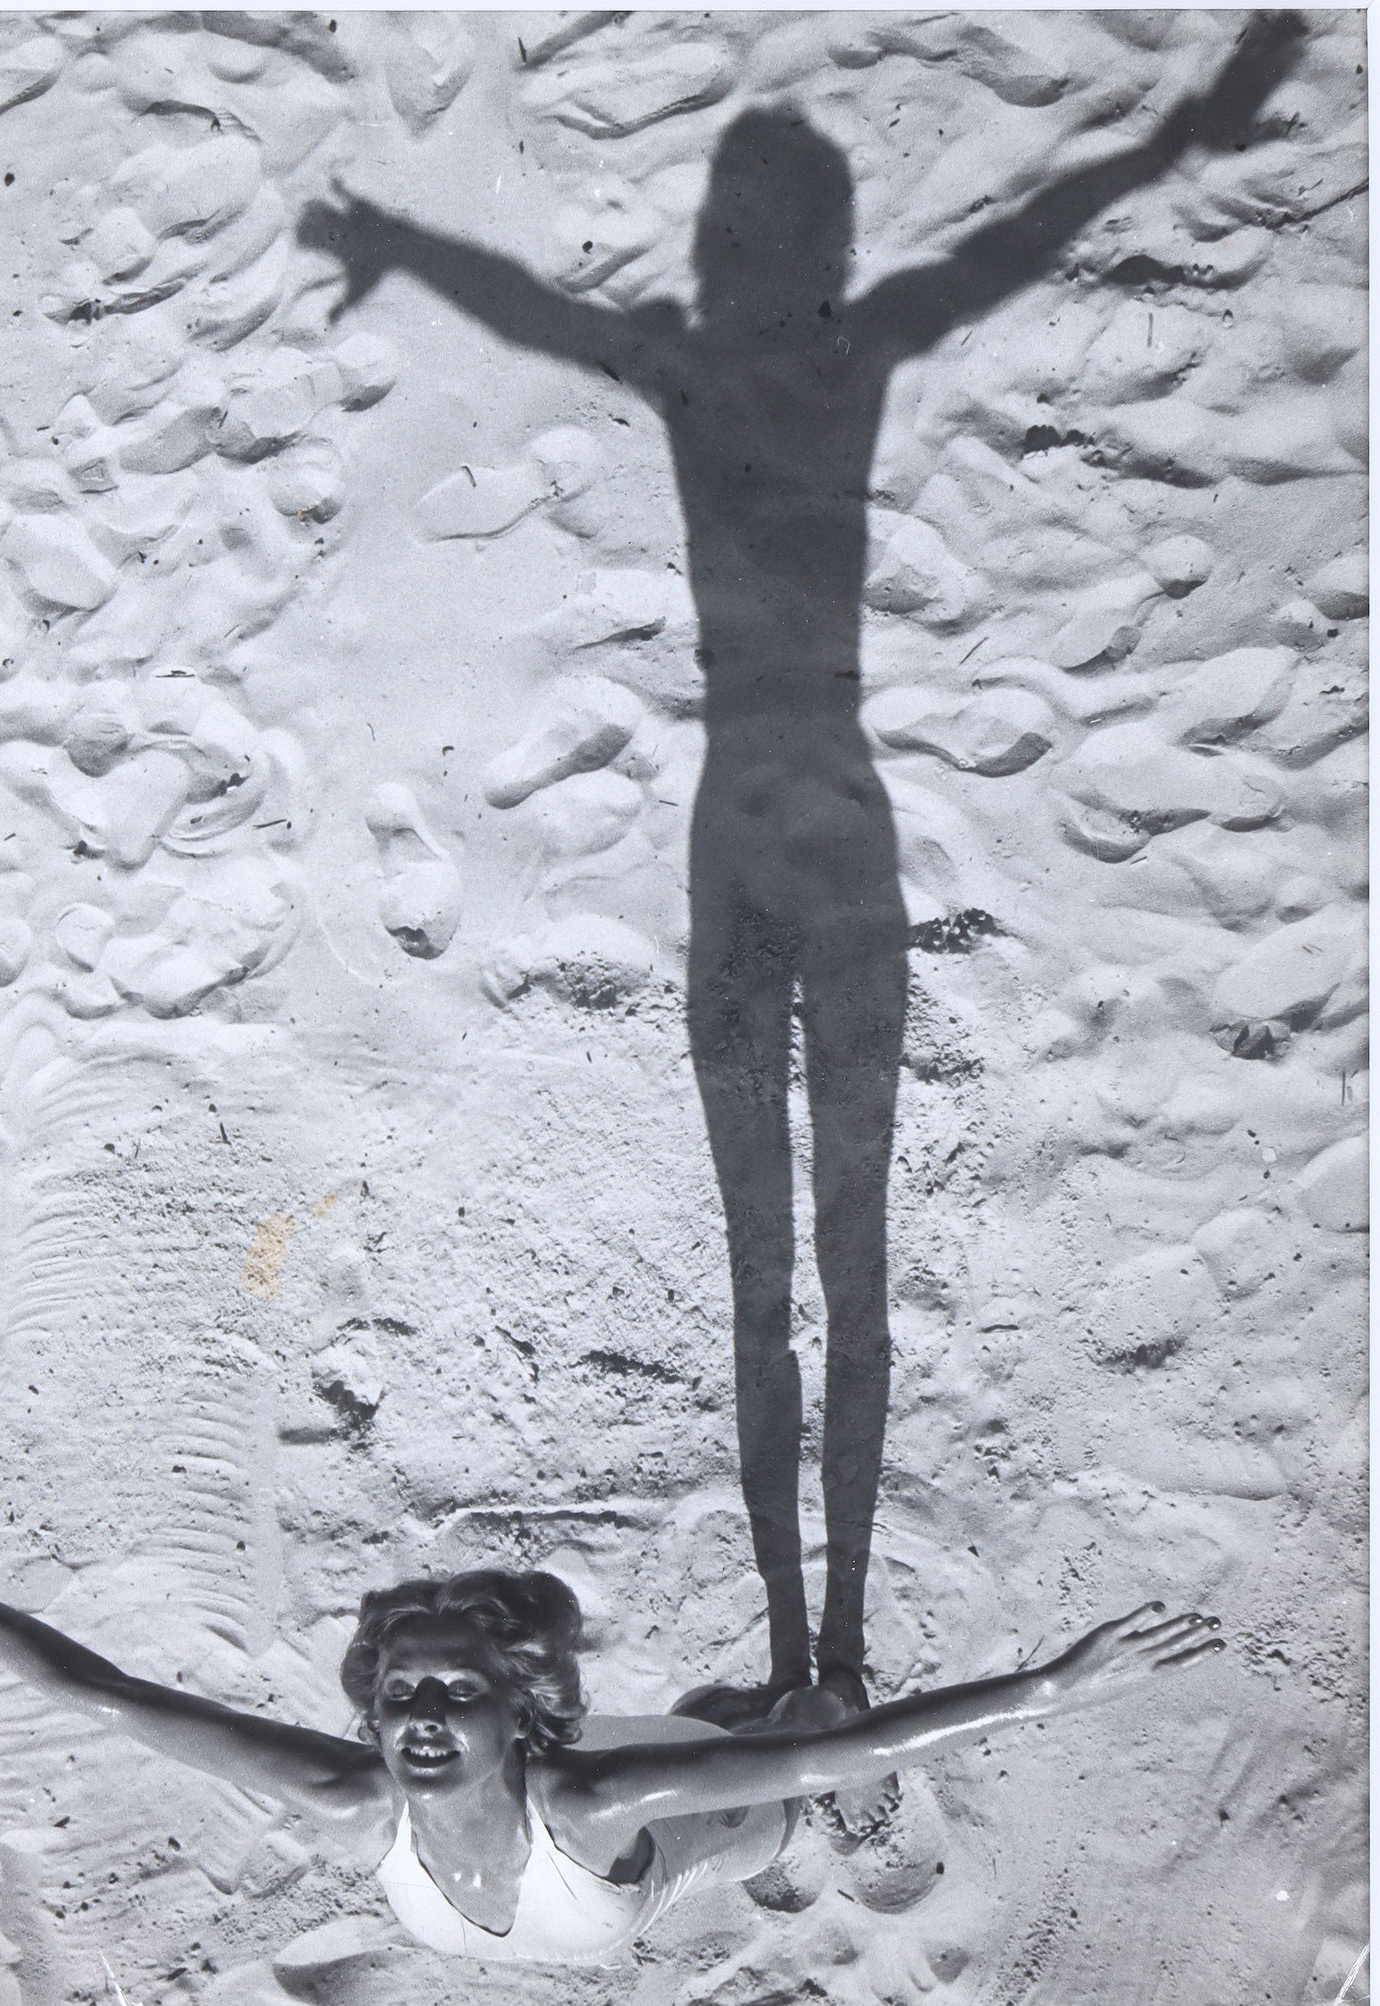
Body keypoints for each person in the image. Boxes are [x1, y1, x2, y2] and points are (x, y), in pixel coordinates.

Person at [296, 15, 1303, 1715]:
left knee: (779, 1269)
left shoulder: (693, 364)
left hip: (743, 829)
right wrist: (1178, 137)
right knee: (842, 1253)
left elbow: (534, 310)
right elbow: (1019, 239)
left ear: (726, 252)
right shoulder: (848, 352)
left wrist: (394, 239)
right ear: (829, 257)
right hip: (832, 814)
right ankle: (825, 1655)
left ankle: (801, 1653)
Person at [0, 1505, 1223, 1966]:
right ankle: (742, 1714)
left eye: (456, 1693)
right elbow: (112, 1698)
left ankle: (804, 1702)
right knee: (735, 1746)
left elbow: (822, 1768)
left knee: (788, 1774)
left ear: (518, 1709)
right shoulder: (349, 1797)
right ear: (372, 1711)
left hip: (676, 1841)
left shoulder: (599, 1794)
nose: (424, 1714)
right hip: (602, 1853)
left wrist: (1047, 1688)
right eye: (404, 1694)